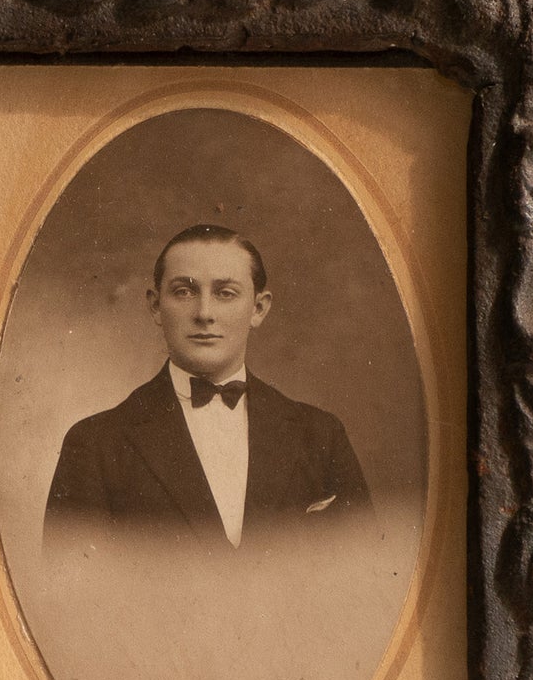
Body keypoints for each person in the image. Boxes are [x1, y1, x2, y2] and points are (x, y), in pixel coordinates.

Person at [44, 223, 372, 554]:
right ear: (156, 306)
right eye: (184, 292)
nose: (204, 313)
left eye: (225, 293)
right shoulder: (96, 443)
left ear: (258, 309)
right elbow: (70, 595)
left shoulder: (320, 436)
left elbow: (364, 579)